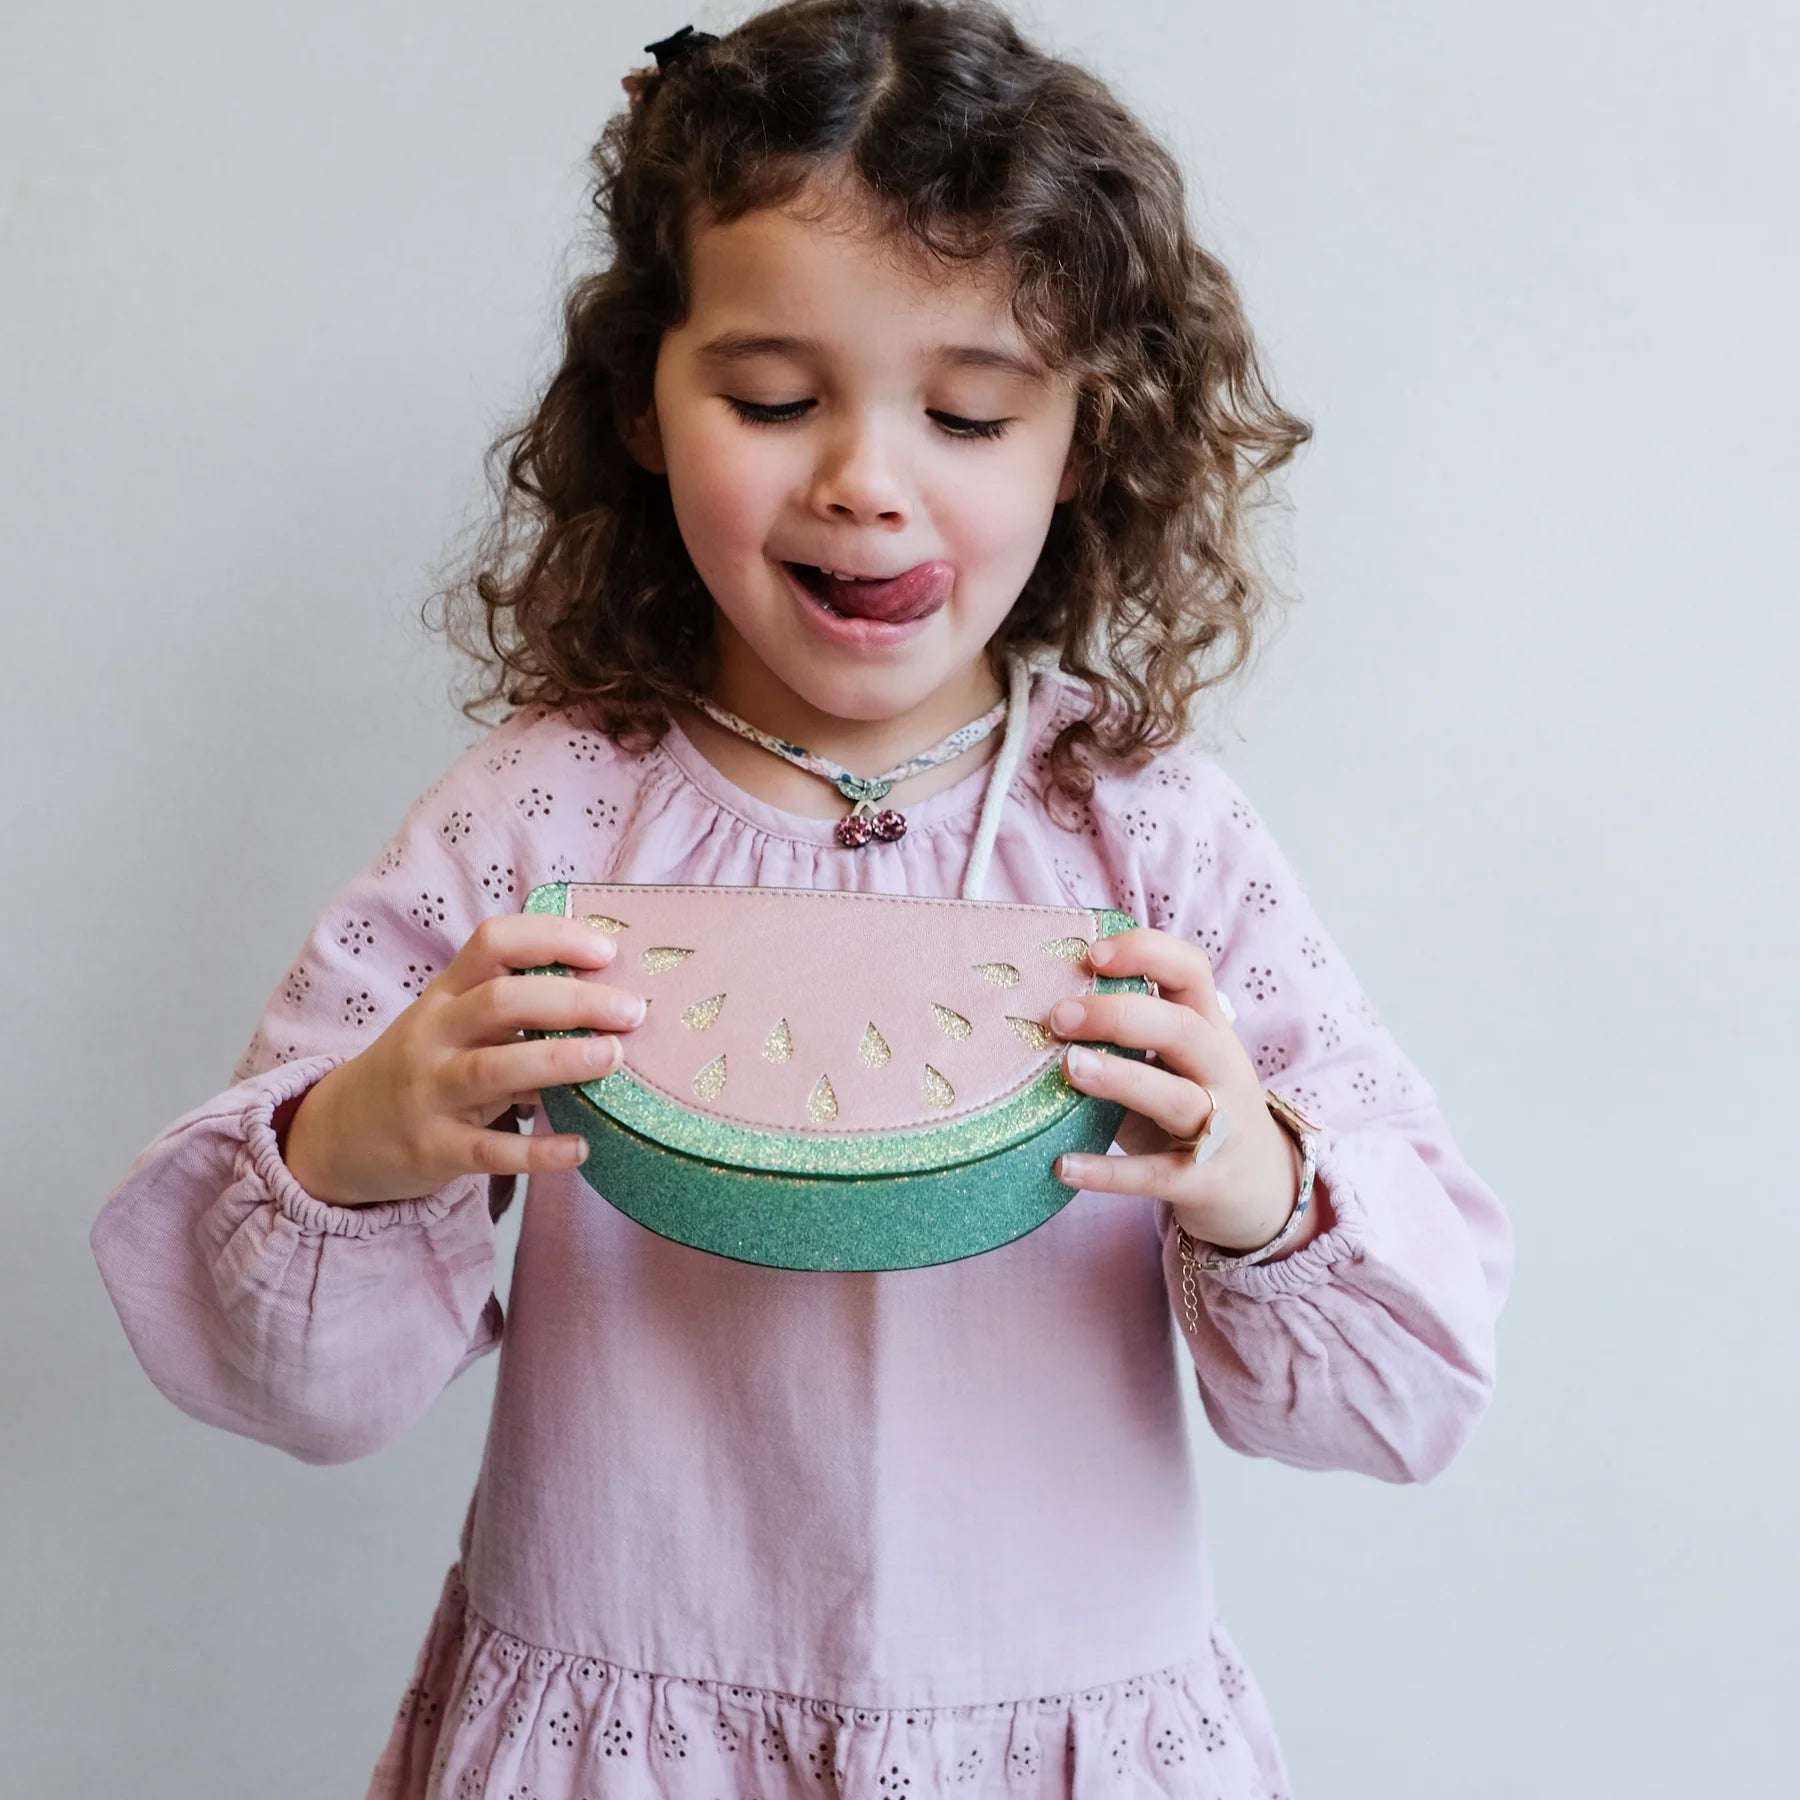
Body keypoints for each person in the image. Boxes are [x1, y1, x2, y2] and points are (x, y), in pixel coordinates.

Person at [89, 3, 1514, 1795]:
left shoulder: (1154, 839)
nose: (864, 477)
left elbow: (1409, 1395)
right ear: (643, 402)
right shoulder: (542, 815)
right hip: (623, 1734)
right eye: (772, 399)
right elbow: (283, 1384)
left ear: (1086, 436)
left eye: (973, 409)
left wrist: (1255, 1175)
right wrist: (369, 1131)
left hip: (1061, 1733)